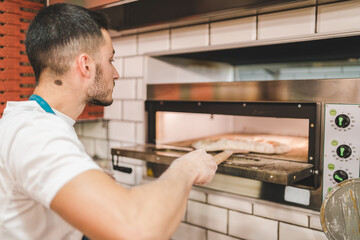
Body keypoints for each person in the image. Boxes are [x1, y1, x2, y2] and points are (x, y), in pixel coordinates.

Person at [0, 3, 217, 240]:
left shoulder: (37, 122)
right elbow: (137, 230)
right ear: (85, 65)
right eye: (110, 59)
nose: (116, 73)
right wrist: (186, 168)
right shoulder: (35, 132)